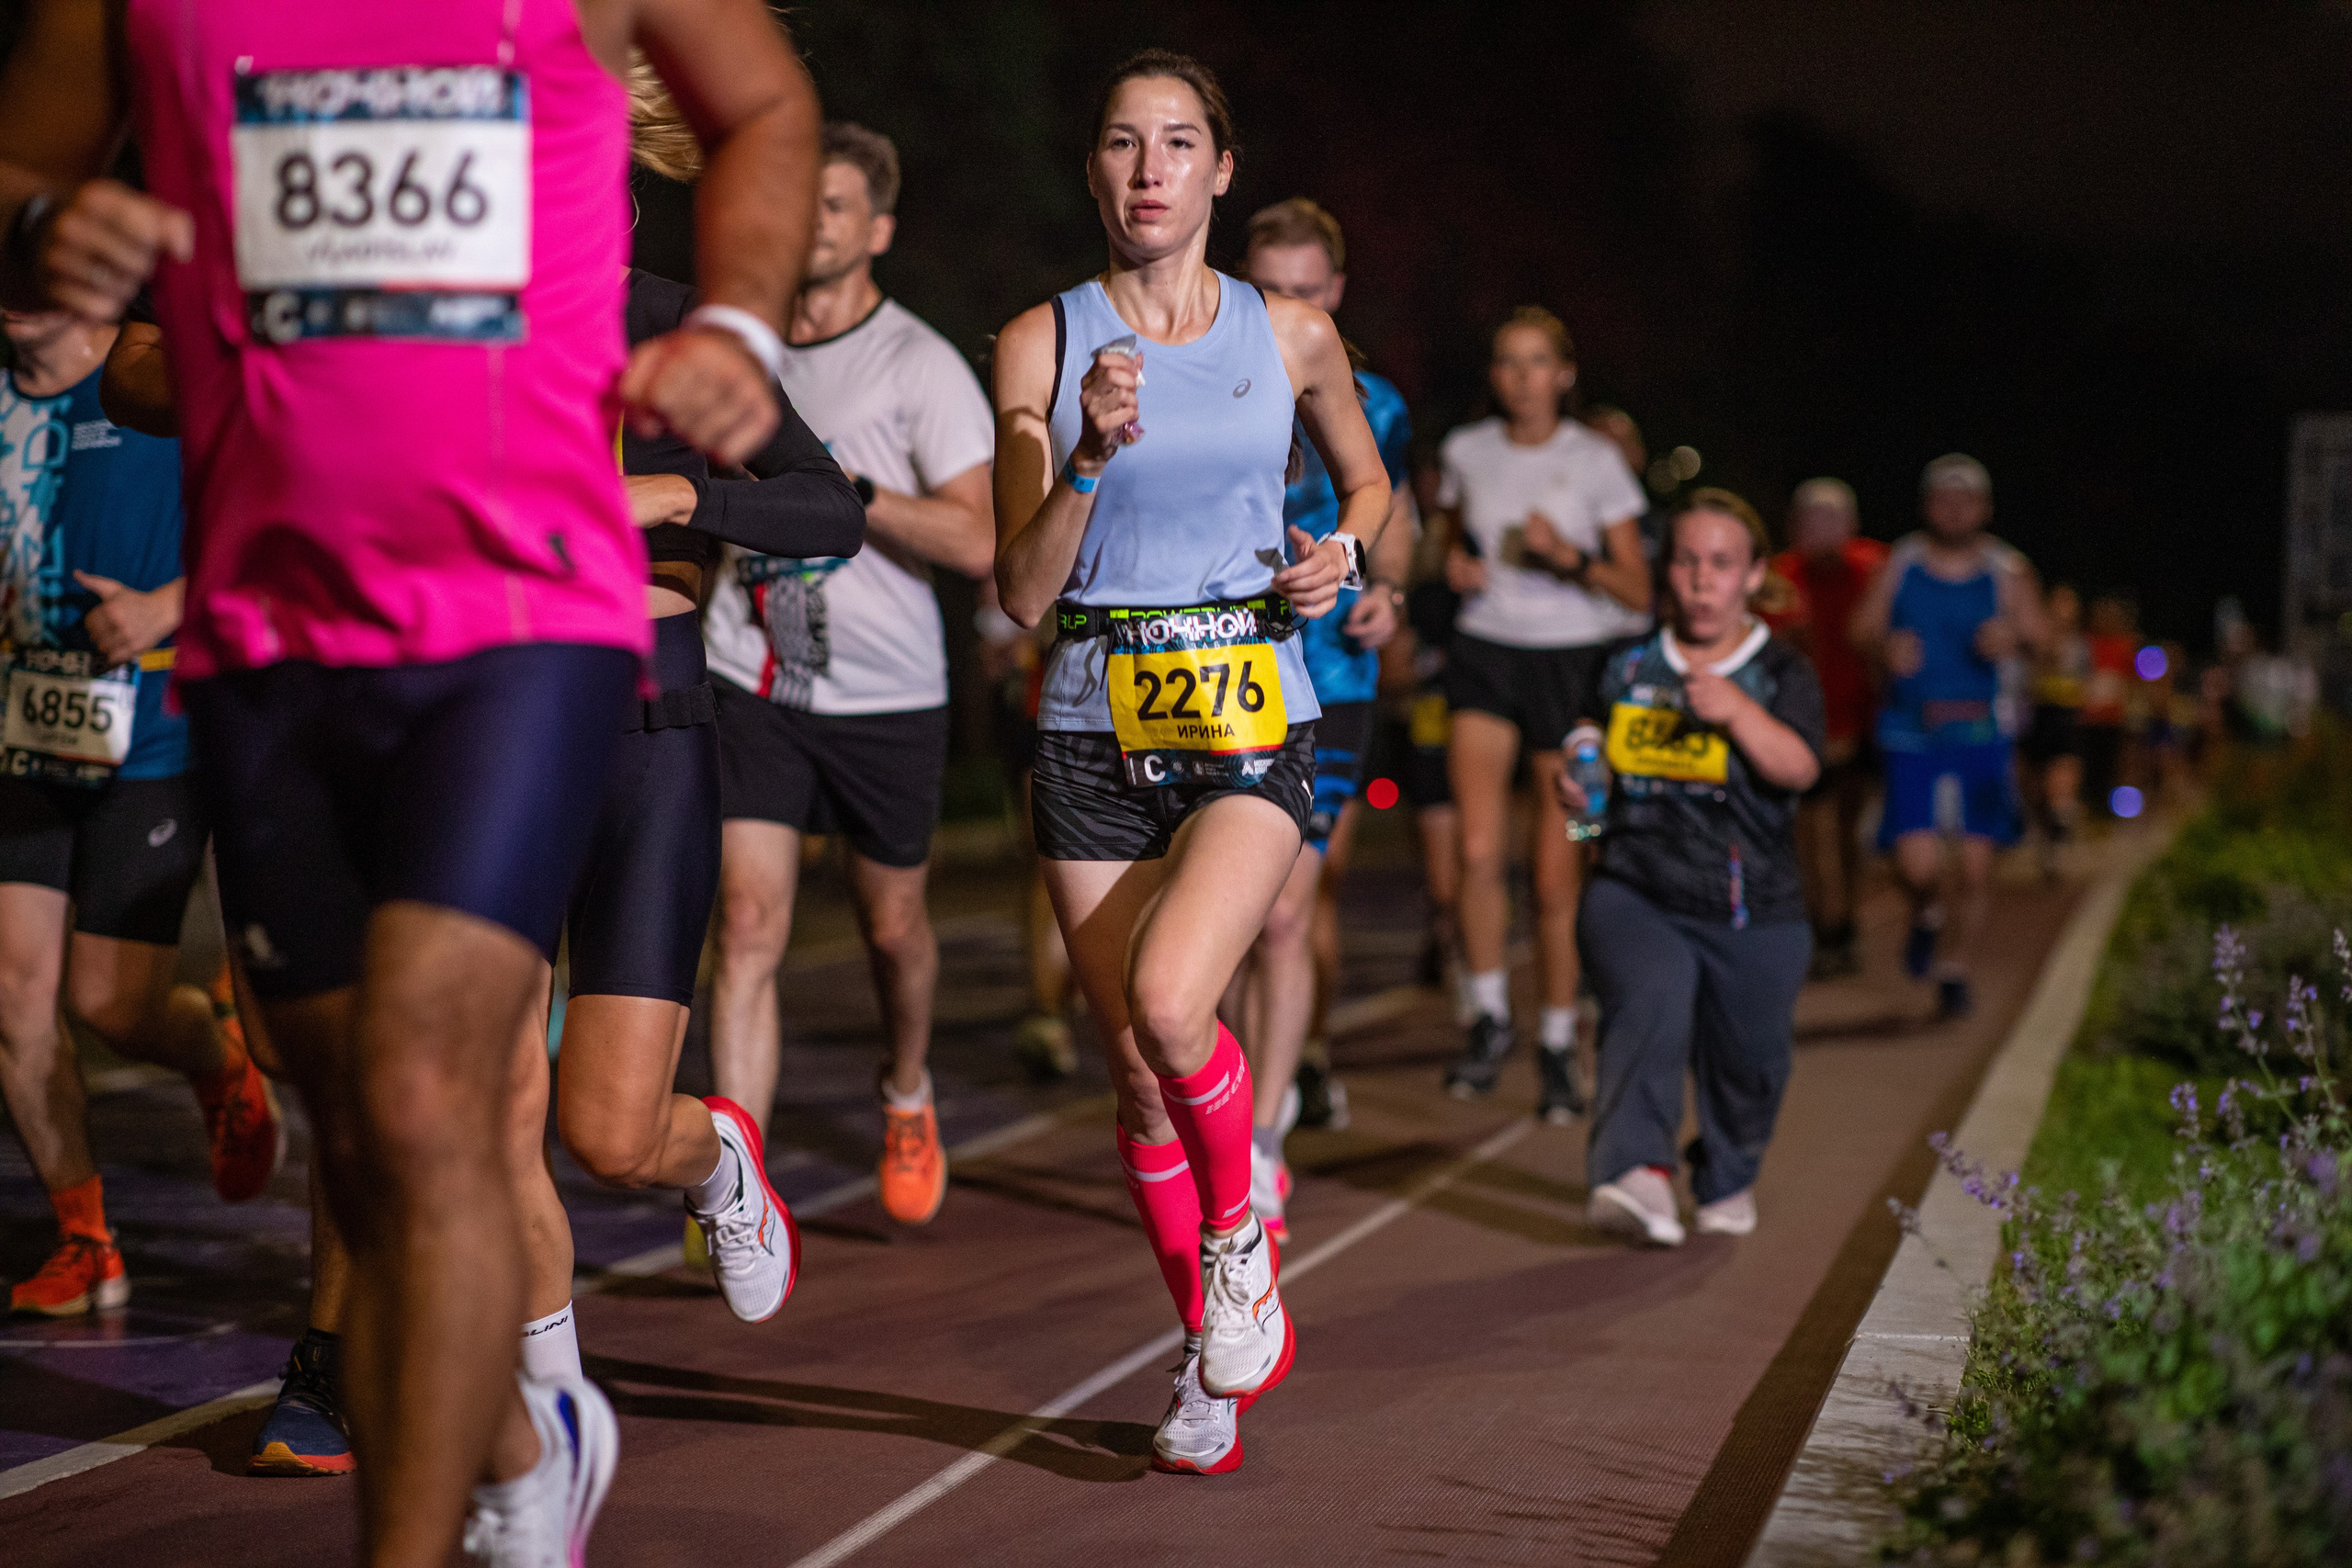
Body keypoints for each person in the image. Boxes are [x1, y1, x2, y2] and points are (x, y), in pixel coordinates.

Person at [0, 4, 821, 1562]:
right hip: (272, 626)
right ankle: (529, 1443)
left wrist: (738, 334)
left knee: (438, 1091)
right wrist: (52, 225)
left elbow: (767, 104)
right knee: (371, 1140)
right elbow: (24, 180)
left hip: (525, 611)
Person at [990, 51, 1388, 1476]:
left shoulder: (1289, 334)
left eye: (1177, 143)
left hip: (1246, 710)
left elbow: (1369, 479)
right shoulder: (1038, 345)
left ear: (1221, 170)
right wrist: (1086, 455)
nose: (1148, 168)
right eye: (1120, 142)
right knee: (1140, 1079)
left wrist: (1341, 549)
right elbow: (1023, 593)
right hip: (1092, 721)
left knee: (1174, 1000)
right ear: (1094, 172)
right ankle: (1207, 1365)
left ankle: (1240, 1241)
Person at [706, 121, 996, 1228]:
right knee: (745, 924)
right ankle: (739, 1188)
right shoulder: (735, 345)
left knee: (891, 930)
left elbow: (978, 543)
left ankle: (905, 1085)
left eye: (831, 206)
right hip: (753, 675)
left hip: (887, 694)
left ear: (875, 230)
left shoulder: (917, 364)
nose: (806, 222)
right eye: (797, 200)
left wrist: (848, 495)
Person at [0, 304, 282, 1317]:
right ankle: (86, 1241)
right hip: (24, 729)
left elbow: (278, 521)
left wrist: (166, 605)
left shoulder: (155, 381)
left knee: (107, 1003)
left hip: (155, 725)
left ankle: (215, 1057)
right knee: (13, 996)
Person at [1559, 491, 1823, 1247]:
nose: (1703, 581)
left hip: (1754, 907)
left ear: (1752, 576)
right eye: (1686, 561)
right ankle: (1637, 1171)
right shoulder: (1624, 665)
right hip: (1635, 889)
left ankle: (1727, 1173)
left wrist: (1738, 712)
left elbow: (1801, 768)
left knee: (1752, 1065)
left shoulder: (1778, 671)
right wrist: (1578, 800)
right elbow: (1586, 809)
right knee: (1651, 996)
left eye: (1722, 563)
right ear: (1666, 570)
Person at [1228, 197, 1414, 1235]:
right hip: (1212, 677)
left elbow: (1397, 518)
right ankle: (1226, 1105)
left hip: (1330, 680)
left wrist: (1389, 587)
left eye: (1306, 290)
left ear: (1335, 295)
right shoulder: (1204, 378)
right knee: (1214, 930)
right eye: (1270, 290)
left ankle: (1260, 1146)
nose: (1288, 307)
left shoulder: (1373, 398)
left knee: (1287, 911)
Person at [1435, 307, 1651, 1114]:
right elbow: (1449, 546)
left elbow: (1638, 589)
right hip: (1487, 653)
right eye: (1506, 362)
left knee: (1559, 872)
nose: (1521, 377)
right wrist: (1452, 565)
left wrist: (1572, 558)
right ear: (1494, 376)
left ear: (1564, 373)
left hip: (1574, 666)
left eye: (1537, 362)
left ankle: (1560, 1038)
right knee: (1479, 848)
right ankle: (1489, 1015)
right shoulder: (1467, 453)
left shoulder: (1594, 461)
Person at [1851, 455, 2046, 1021]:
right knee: (1917, 867)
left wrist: (2013, 638)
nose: (1955, 509)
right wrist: (1883, 647)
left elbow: (2045, 640)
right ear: (1926, 505)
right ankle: (1926, 915)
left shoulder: (2007, 570)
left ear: (1984, 509)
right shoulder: (1901, 562)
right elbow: (1860, 629)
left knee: (1976, 868)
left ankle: (1956, 968)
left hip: (1983, 732)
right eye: (1943, 498)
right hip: (1911, 730)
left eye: (1967, 499)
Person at [1763, 478, 1886, 977]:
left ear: (1852, 525)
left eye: (1834, 521)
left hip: (1863, 719)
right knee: (1810, 833)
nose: (1823, 532)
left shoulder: (1877, 569)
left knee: (1850, 828)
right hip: (1802, 723)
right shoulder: (1779, 577)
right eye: (1812, 522)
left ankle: (1848, 920)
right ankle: (1822, 924)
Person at [2019, 581, 2088, 872]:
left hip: (2064, 716)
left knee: (2063, 777)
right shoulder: (2034, 638)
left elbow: (2085, 680)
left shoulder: (2080, 645)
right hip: (2035, 716)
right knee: (2035, 791)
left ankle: (2062, 824)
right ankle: (2045, 836)